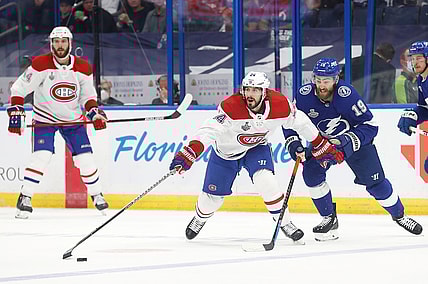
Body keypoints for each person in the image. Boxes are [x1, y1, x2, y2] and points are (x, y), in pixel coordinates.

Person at [169, 71, 344, 242]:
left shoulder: (280, 104)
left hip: (256, 148)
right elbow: (209, 130)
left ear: (264, 92)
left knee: (267, 182)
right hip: (226, 152)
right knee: (211, 200)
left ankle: (286, 223)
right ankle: (200, 218)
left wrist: (320, 143)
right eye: (247, 89)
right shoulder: (231, 106)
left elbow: (301, 122)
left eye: (255, 90)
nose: (249, 94)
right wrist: (190, 152)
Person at [283, 58, 423, 241]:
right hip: (322, 144)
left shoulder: (347, 95)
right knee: (311, 175)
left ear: (336, 79)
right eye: (318, 80)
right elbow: (289, 121)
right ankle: (329, 219)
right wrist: (294, 143)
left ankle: (399, 215)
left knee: (376, 184)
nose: (321, 85)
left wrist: (345, 141)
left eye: (326, 81)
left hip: (354, 143)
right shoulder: (304, 95)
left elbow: (370, 125)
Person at [7, 26, 109, 219]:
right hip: (45, 120)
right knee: (42, 156)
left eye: (63, 41)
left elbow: (88, 97)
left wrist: (94, 114)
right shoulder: (40, 64)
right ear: (51, 44)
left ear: (70, 43)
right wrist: (16, 111)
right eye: (56, 42)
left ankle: (97, 195)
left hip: (73, 120)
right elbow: (19, 88)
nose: (60, 45)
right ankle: (25, 197)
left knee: (85, 159)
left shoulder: (83, 67)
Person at [398, 41, 428, 171]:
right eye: (413, 58)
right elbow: (424, 107)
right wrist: (414, 115)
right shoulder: (422, 79)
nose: (415, 62)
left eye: (419, 58)